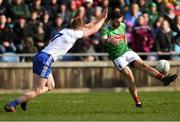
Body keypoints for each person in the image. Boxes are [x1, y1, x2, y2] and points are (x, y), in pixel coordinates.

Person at [4, 8, 108, 112]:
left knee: (50, 85)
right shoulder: (75, 34)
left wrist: (100, 18)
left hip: (40, 55)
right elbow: (93, 29)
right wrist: (103, 18)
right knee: (37, 89)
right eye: (82, 28)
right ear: (79, 28)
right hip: (46, 59)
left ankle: (26, 99)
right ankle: (12, 104)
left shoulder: (66, 30)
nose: (83, 29)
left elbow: (88, 26)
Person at [101, 9, 177, 108]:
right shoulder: (105, 28)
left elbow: (124, 37)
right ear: (112, 19)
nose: (120, 23)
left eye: (121, 21)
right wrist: (109, 40)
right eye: (117, 21)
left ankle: (163, 79)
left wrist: (126, 47)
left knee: (143, 65)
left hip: (126, 51)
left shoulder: (122, 25)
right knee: (130, 77)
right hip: (117, 56)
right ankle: (138, 103)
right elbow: (103, 40)